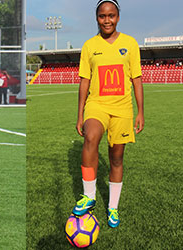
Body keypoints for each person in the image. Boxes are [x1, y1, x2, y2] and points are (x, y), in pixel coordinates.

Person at [72, 0, 144, 228]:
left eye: (111, 15)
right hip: (97, 105)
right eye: (102, 16)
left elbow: (137, 79)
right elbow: (84, 81)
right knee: (91, 137)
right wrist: (80, 114)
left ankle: (112, 207)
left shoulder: (130, 43)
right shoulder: (89, 46)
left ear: (118, 18)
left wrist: (140, 111)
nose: (107, 20)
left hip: (122, 108)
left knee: (116, 158)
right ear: (97, 18)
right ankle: (89, 196)